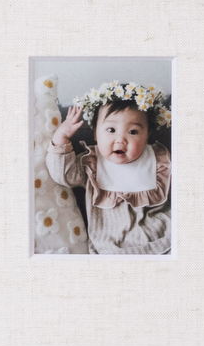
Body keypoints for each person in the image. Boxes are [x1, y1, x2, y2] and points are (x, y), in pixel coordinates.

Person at [46, 83, 173, 256]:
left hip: (163, 239)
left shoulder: (159, 160)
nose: (120, 140)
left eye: (133, 132)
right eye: (111, 130)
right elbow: (64, 175)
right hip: (111, 245)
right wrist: (61, 137)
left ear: (147, 136)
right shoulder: (92, 163)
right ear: (96, 134)